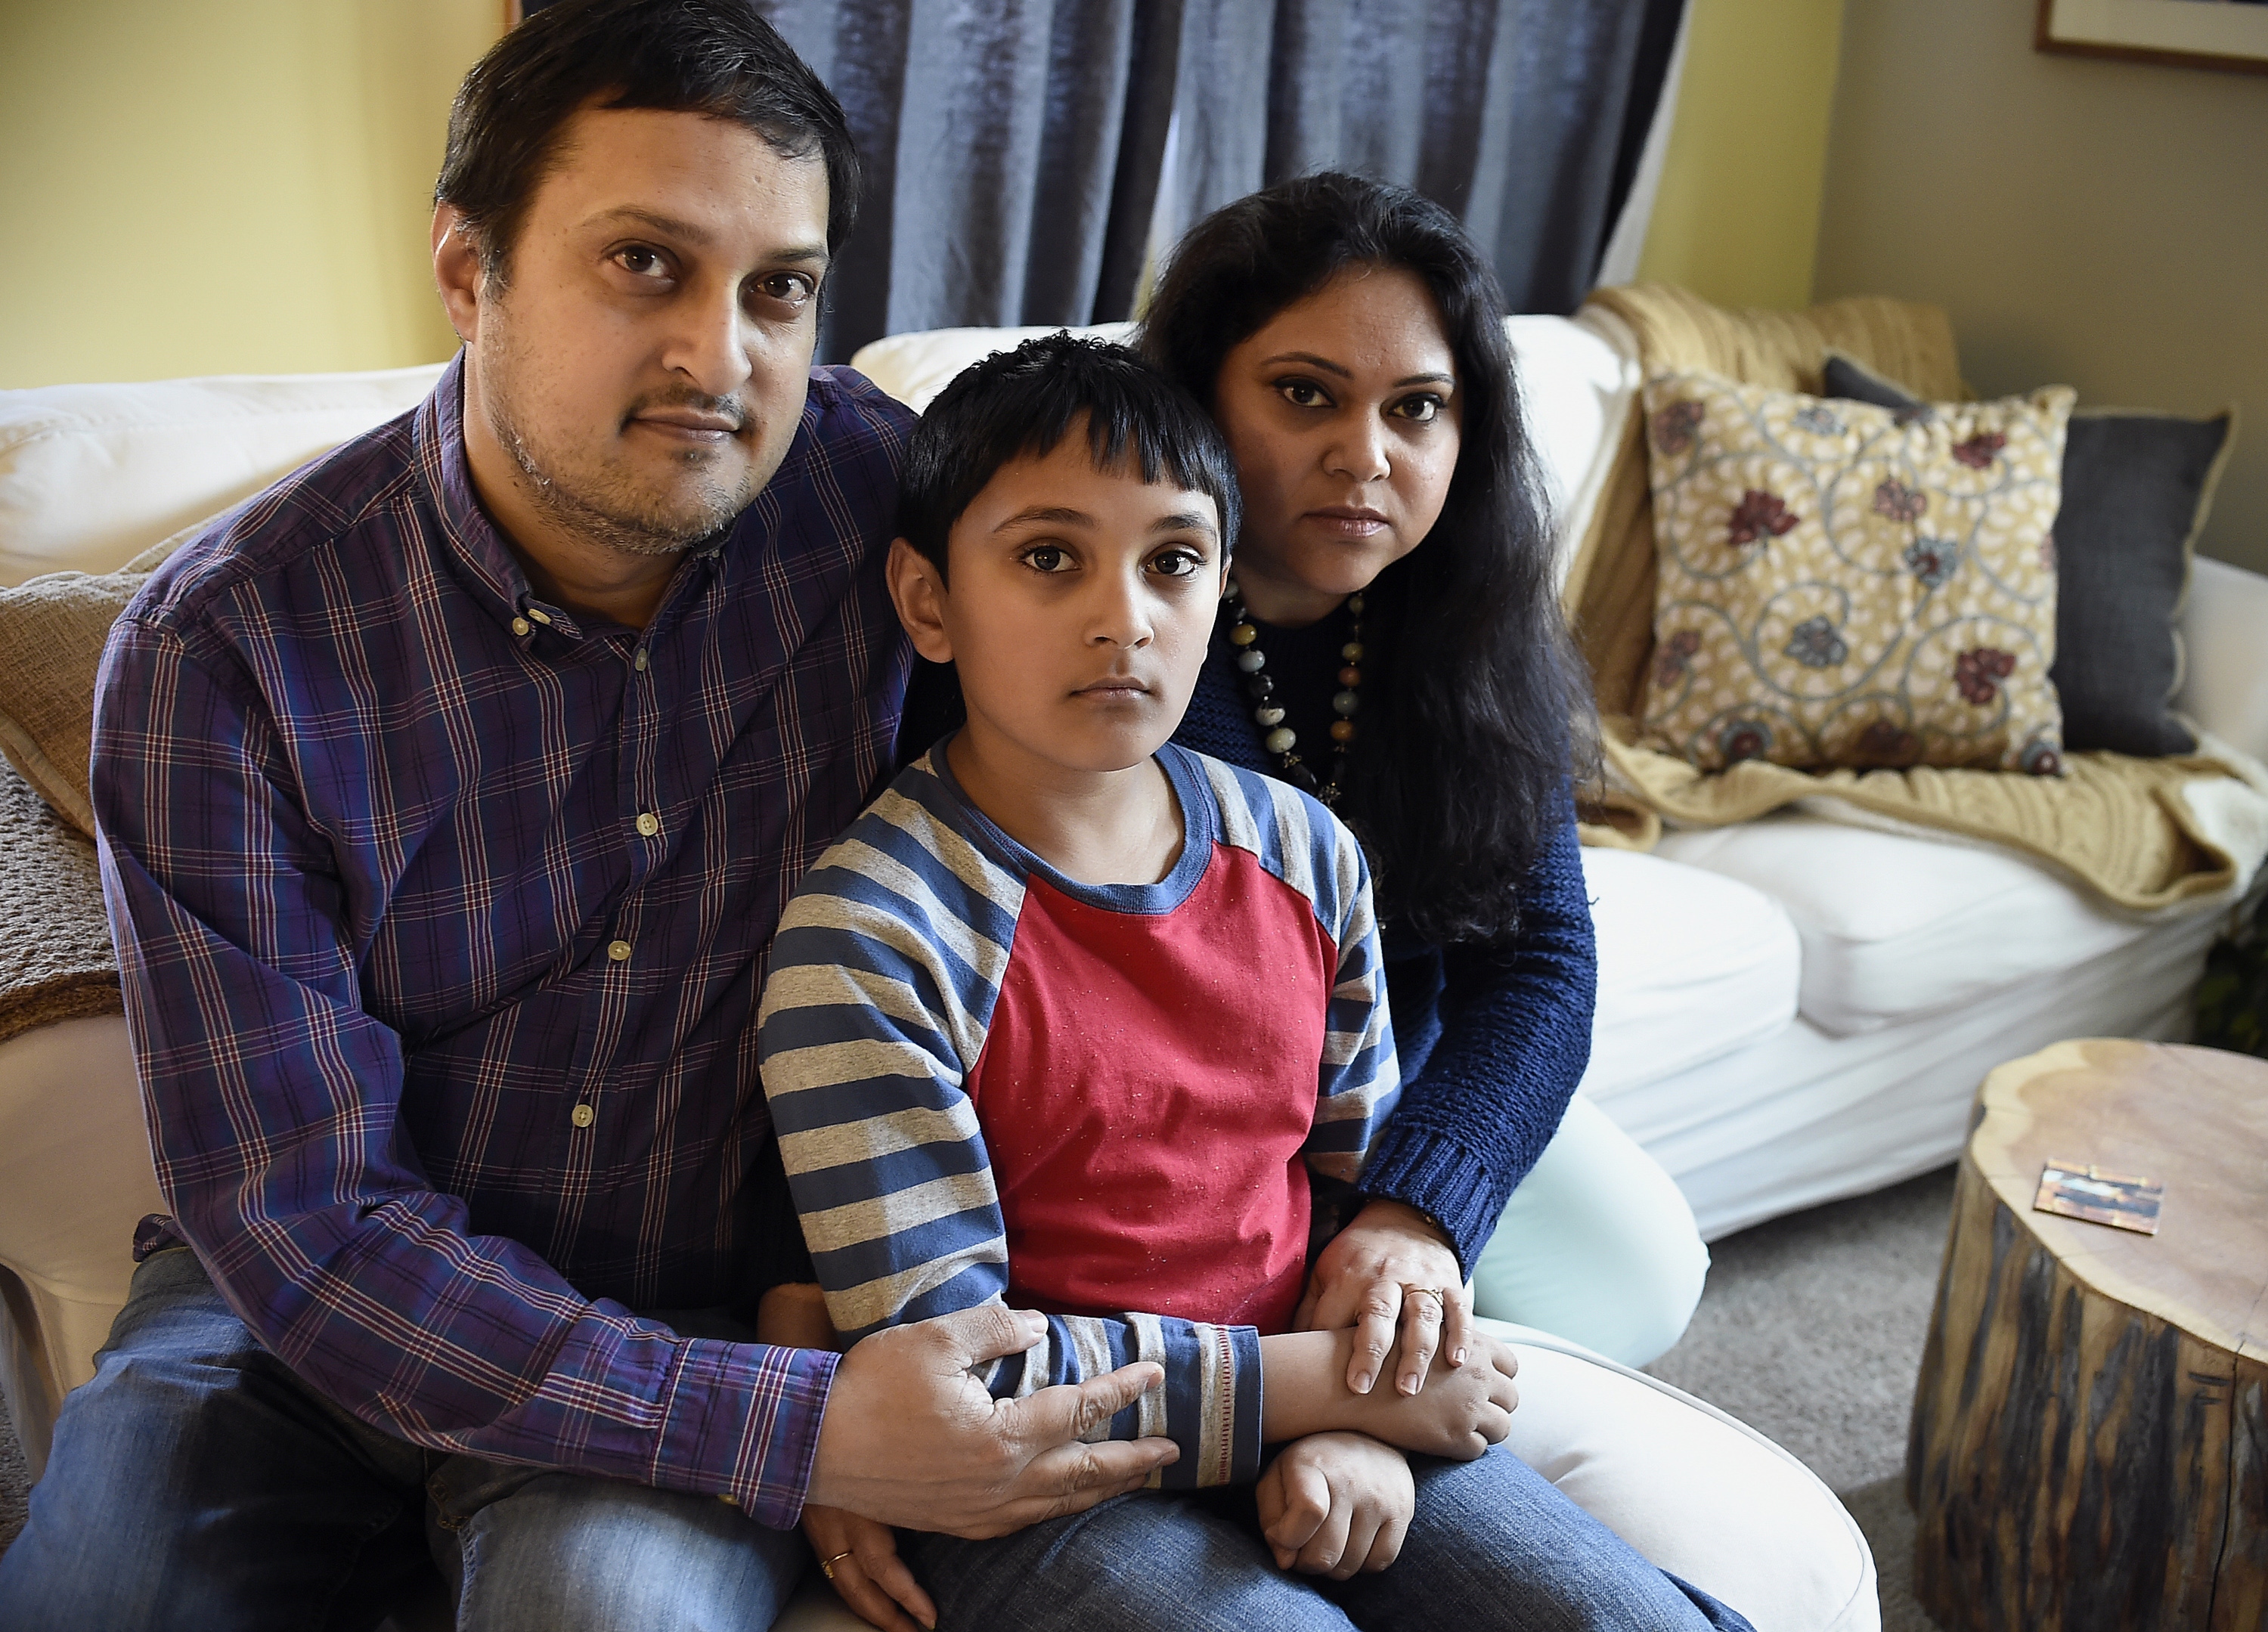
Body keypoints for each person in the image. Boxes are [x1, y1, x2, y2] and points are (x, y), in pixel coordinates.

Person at [0, 5, 1176, 1628]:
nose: (724, 358)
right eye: (646, 264)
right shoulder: (226, 652)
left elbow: (1148, 721)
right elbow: (301, 1212)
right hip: (293, 1315)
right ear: (468, 270)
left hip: (688, 1300)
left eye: (780, 289)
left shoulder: (880, 515)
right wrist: (801, 1428)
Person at [755, 332, 1753, 1631]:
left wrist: (1368, 1434)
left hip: (1312, 1396)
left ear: (1222, 583)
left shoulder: (1304, 854)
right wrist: (1326, 1394)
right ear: (929, 600)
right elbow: (964, 1380)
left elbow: (1350, 1187)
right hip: (1045, 1478)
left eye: (1171, 561)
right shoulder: (869, 937)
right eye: (1049, 558)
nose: (1122, 618)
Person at [1143, 172, 1709, 1371]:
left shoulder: (1478, 622)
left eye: (1417, 409)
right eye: (1307, 396)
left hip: (1414, 1071)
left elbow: (1543, 960)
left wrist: (1418, 1211)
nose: (1367, 456)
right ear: (1198, 397)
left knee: (1648, 1272)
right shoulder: (1120, 624)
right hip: (1195, 1132)